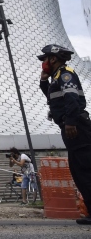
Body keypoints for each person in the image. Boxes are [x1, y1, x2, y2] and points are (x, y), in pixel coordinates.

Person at [38, 44, 91, 225]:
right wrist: (44, 81)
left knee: (84, 169)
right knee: (80, 171)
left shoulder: (65, 74)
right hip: (71, 127)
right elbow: (53, 99)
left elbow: (72, 99)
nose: (43, 63)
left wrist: (70, 122)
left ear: (53, 59)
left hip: (77, 128)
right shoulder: (56, 78)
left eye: (44, 59)